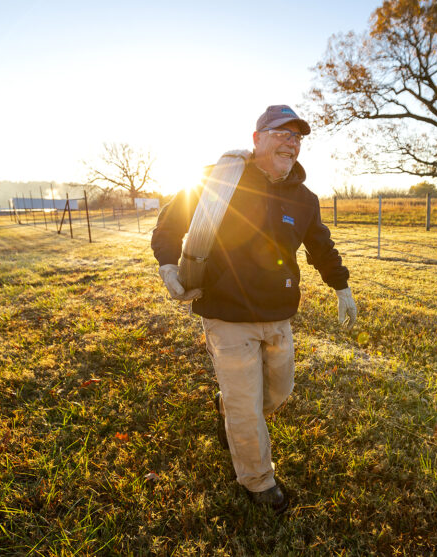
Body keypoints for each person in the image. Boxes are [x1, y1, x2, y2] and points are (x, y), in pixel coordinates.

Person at [151, 105, 357, 514]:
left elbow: (321, 247)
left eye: (297, 136)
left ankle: (228, 406)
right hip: (226, 315)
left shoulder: (304, 199)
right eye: (282, 132)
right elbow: (170, 222)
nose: (292, 141)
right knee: (247, 406)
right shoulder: (220, 180)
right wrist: (168, 264)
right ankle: (259, 483)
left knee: (276, 394)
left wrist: (342, 287)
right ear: (257, 138)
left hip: (278, 315)